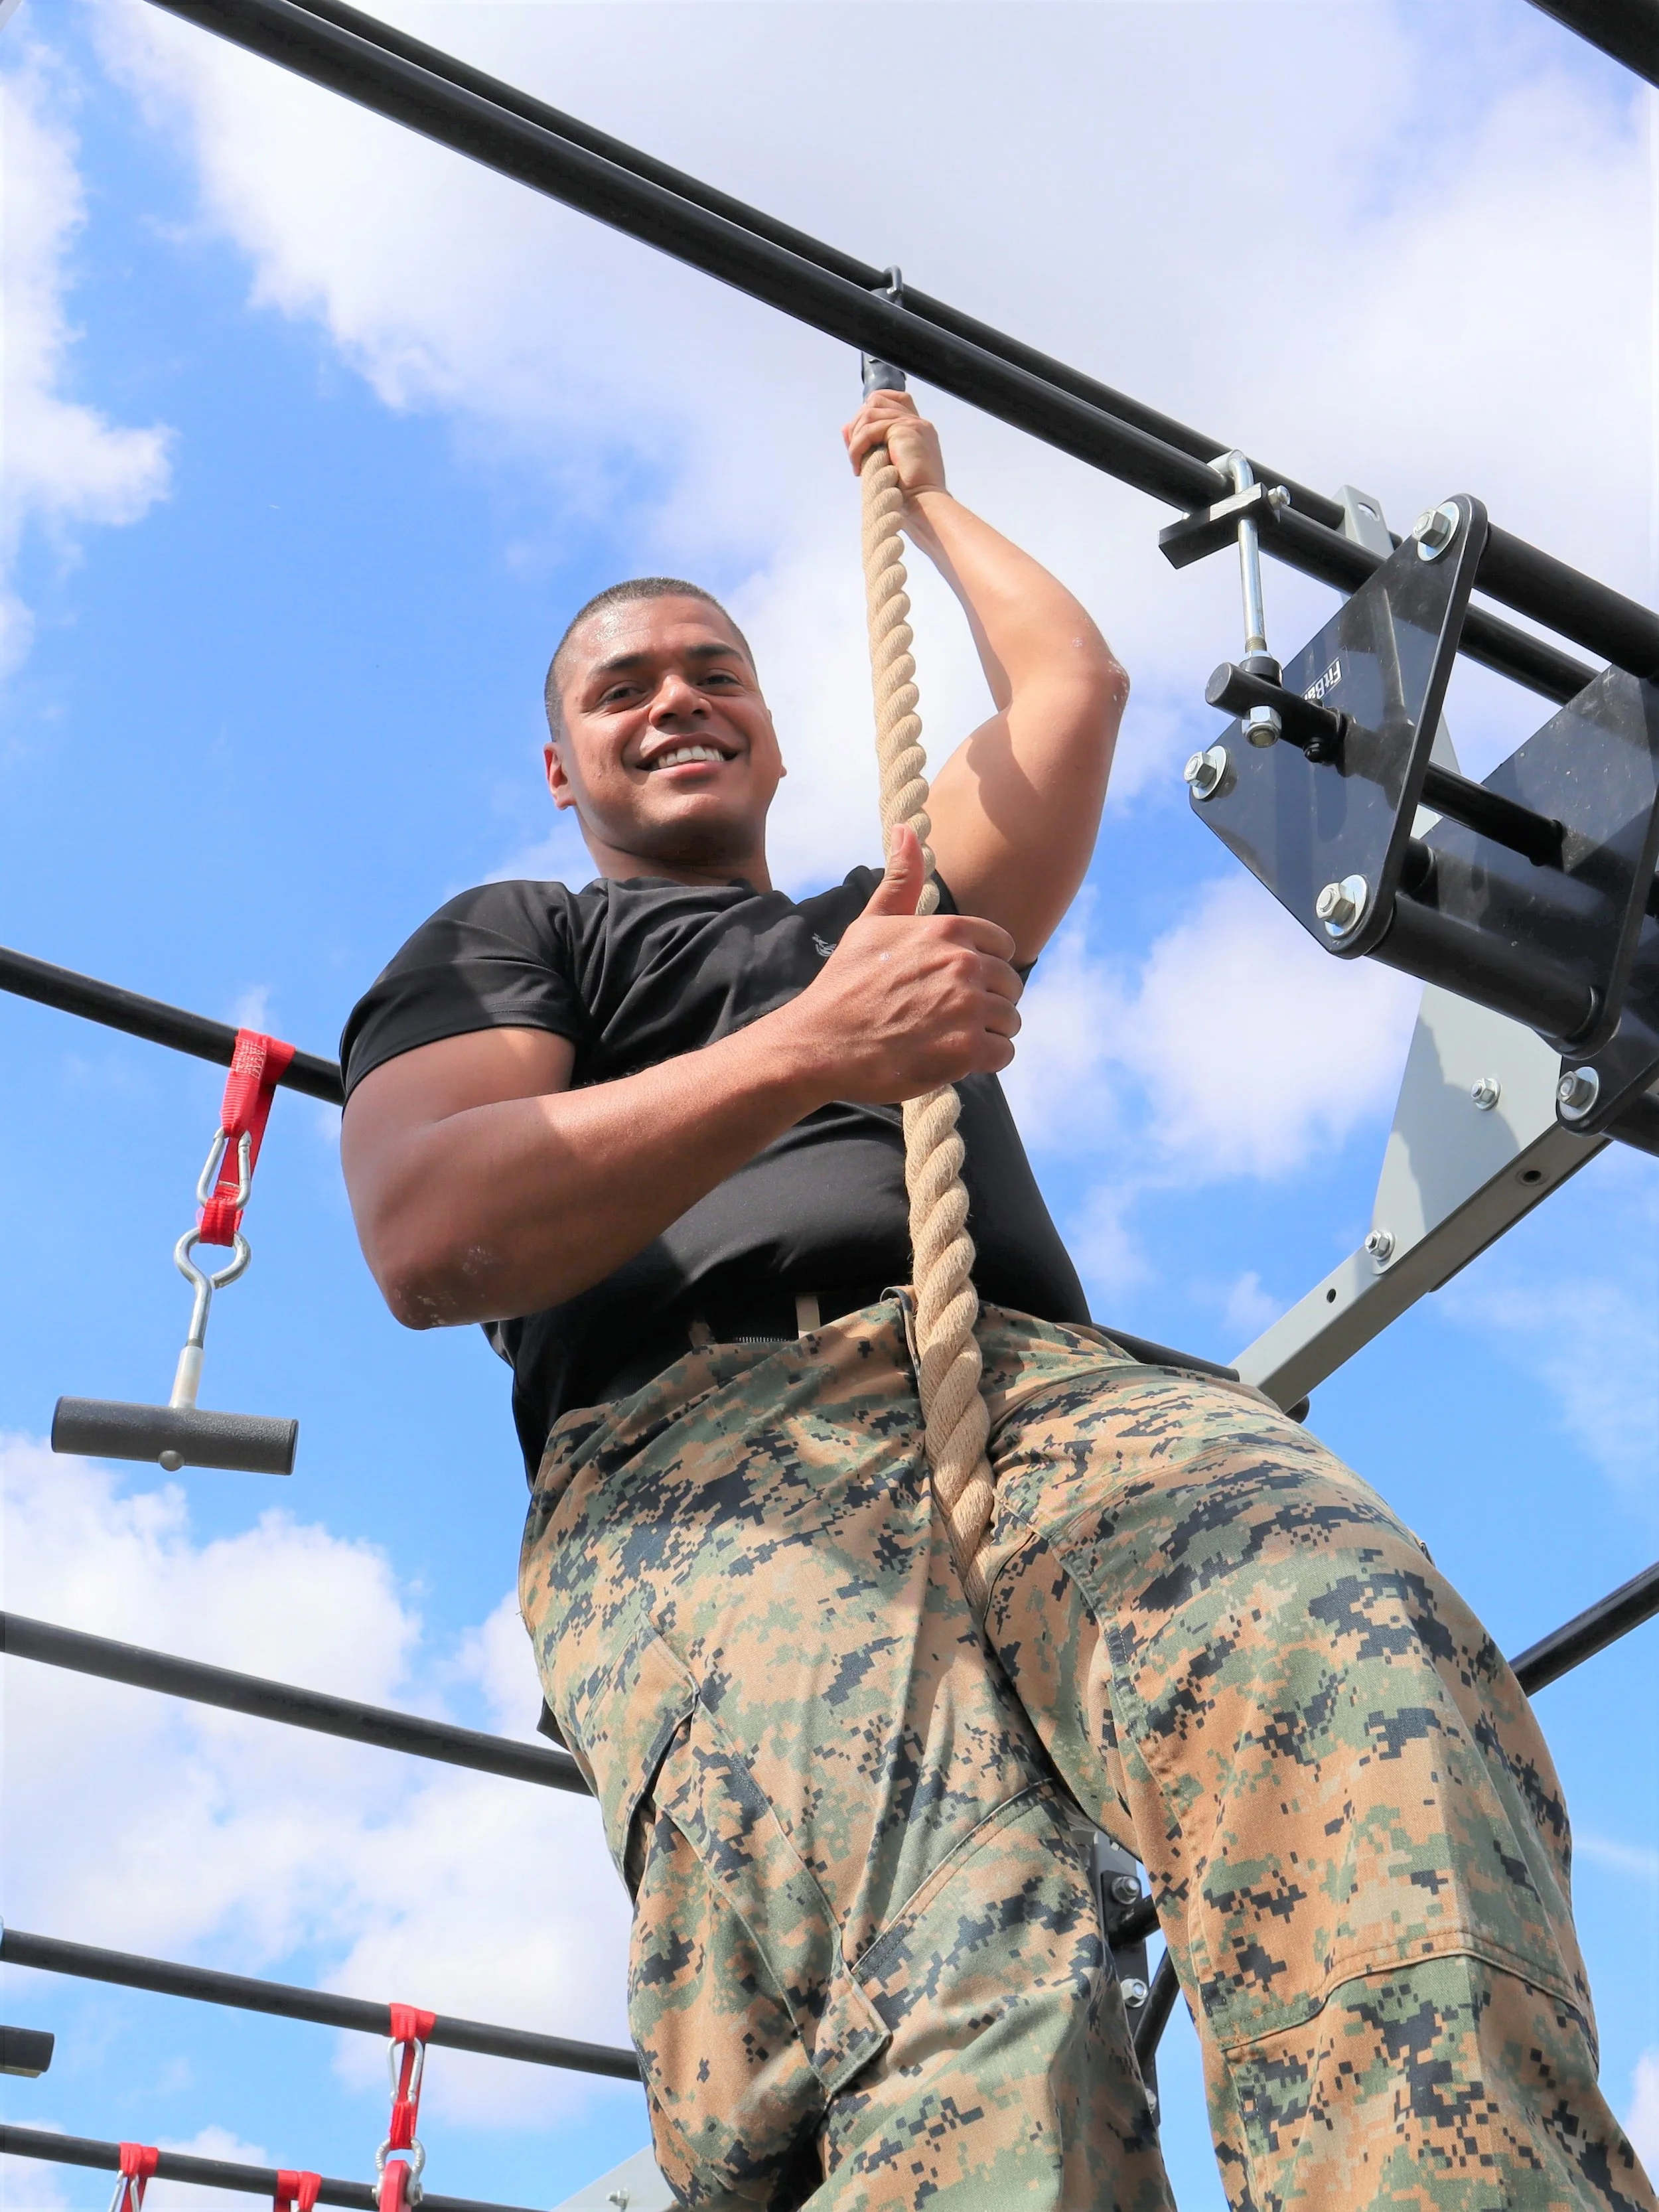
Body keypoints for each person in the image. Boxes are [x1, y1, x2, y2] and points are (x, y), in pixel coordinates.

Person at [338, 390, 1652, 2212]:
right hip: (701, 1443)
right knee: (974, 1972)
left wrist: (931, 507)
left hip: (1023, 1385)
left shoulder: (879, 908)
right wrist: (819, 1044)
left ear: (779, 732)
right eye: (620, 686)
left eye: (712, 669)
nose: (673, 699)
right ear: (562, 770)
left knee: (1347, 1651)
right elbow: (428, 1226)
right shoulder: (524, 937)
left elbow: (1068, 700)